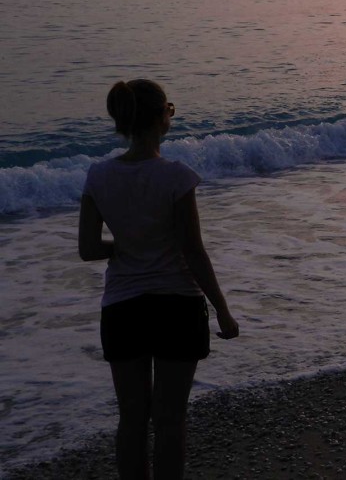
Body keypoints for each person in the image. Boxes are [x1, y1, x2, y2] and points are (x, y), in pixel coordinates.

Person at [79, 79, 239, 480]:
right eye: (170, 108)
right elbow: (193, 251)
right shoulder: (176, 177)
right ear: (159, 119)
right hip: (176, 305)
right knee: (169, 420)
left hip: (123, 307)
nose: (172, 114)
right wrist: (222, 310)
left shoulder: (98, 176)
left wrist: (125, 244)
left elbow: (88, 249)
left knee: (132, 419)